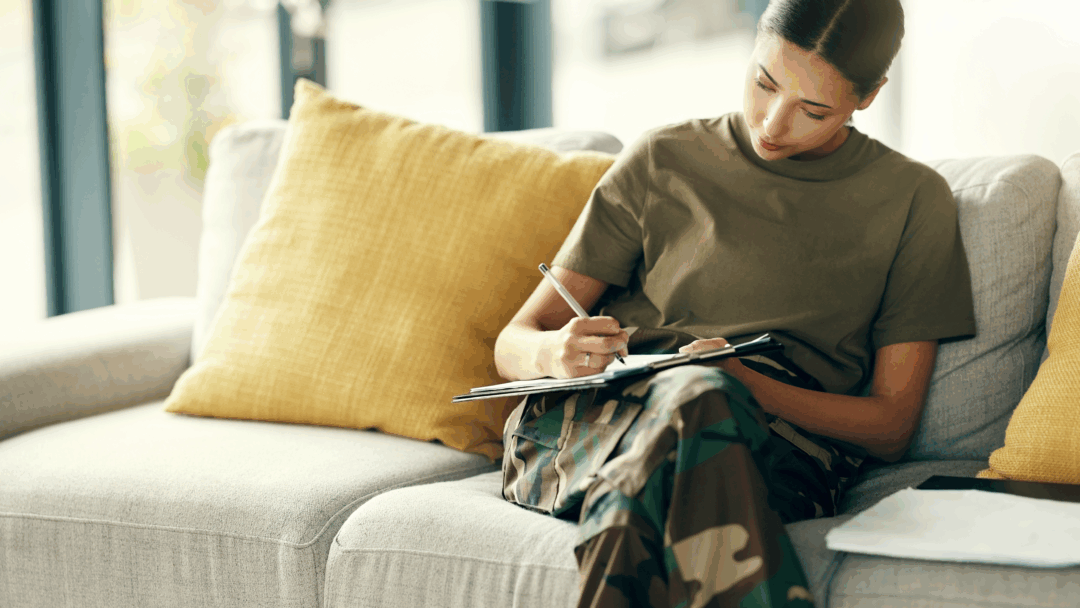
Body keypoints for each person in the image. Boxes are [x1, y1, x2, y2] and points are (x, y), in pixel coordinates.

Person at [494, 0, 975, 606]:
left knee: (699, 407)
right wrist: (555, 352)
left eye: (813, 109)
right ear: (753, 44)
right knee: (692, 413)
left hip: (776, 447)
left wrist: (744, 384)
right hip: (595, 426)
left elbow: (891, 428)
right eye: (764, 82)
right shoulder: (661, 158)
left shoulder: (913, 200)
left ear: (870, 96)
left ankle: (656, 463)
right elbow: (513, 342)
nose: (773, 123)